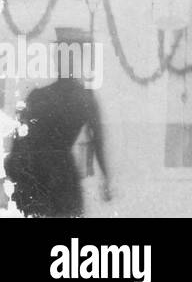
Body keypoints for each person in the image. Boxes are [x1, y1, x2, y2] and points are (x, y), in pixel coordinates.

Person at [3, 28, 111, 217]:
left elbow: (19, 142)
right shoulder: (85, 98)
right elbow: (98, 142)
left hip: (37, 176)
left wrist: (14, 176)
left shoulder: (38, 96)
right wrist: (106, 179)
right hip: (62, 176)